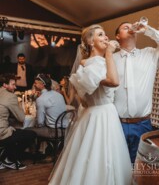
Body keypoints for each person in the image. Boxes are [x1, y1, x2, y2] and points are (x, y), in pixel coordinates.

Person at [49, 24, 132, 185]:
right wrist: (109, 53)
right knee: (98, 157)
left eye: (105, 35)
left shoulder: (94, 63)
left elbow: (85, 101)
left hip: (100, 114)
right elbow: (114, 82)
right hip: (101, 116)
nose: (106, 37)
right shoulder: (92, 64)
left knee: (104, 157)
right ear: (90, 41)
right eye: (100, 35)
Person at [113, 21, 159, 163]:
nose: (130, 28)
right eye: (125, 27)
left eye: (132, 27)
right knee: (116, 164)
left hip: (143, 124)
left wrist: (148, 30)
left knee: (141, 166)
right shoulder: (111, 60)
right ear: (117, 36)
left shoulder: (150, 54)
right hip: (116, 124)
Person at [0, 74, 37, 170]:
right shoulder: (10, 96)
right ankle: (9, 159)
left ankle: (5, 155)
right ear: (5, 85)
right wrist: (19, 106)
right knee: (31, 134)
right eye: (13, 84)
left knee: (15, 130)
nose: (15, 87)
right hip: (1, 133)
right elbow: (21, 118)